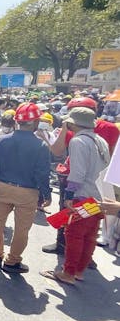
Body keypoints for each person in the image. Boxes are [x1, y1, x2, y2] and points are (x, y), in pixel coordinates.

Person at [40, 107, 109, 285]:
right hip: (98, 196)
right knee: (90, 235)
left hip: (82, 195)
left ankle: (68, 273)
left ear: (73, 123)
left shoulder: (78, 142)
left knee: (74, 234)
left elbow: (77, 172)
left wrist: (69, 195)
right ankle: (79, 271)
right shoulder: (100, 140)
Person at [44, 96, 119, 255]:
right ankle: (69, 250)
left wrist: (71, 192)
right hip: (89, 184)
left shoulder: (107, 130)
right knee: (80, 223)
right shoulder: (78, 131)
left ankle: (73, 265)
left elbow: (110, 159)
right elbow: (57, 150)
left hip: (80, 185)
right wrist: (66, 128)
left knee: (78, 226)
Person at [0, 102, 52, 273]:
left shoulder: (1, 140)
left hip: (3, 186)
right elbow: (42, 174)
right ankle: (12, 261)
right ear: (36, 122)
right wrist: (46, 195)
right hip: (27, 191)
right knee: (21, 229)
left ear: (17, 121)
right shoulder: (41, 146)